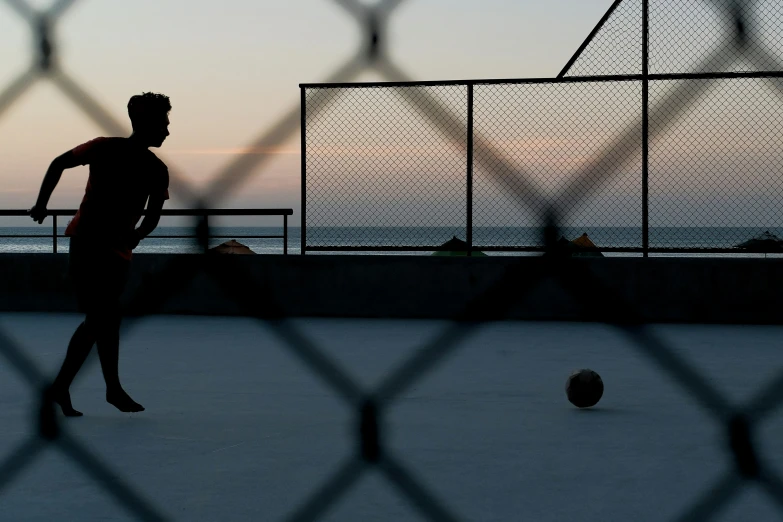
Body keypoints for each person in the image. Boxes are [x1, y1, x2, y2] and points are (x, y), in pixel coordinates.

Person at [28, 92, 171, 416]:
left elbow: (152, 216)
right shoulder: (106, 148)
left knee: (107, 318)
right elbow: (59, 164)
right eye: (163, 124)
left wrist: (135, 237)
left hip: (118, 252)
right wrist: (41, 204)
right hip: (87, 244)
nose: (166, 131)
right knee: (101, 317)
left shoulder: (155, 168)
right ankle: (80, 388)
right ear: (144, 123)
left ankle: (98, 389)